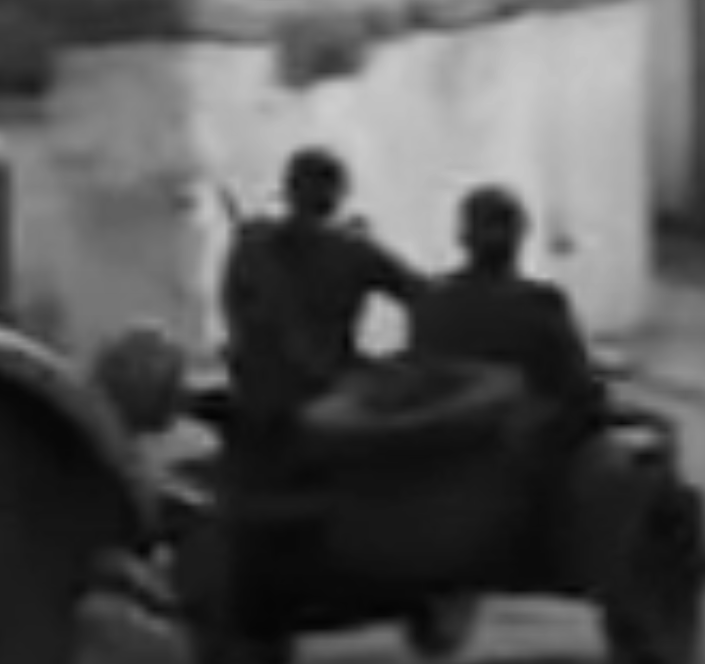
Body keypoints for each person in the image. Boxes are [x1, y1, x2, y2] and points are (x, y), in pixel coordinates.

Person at [215, 148, 431, 461]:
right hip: (327, 404)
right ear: (338, 197)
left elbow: (233, 318)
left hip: (256, 403)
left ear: (287, 192)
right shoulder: (354, 251)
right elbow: (427, 299)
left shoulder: (249, 247)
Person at [407, 186, 608, 437]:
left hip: (449, 444)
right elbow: (579, 390)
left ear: (461, 238)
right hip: (520, 449)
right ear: (521, 235)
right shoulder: (540, 302)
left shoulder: (429, 299)